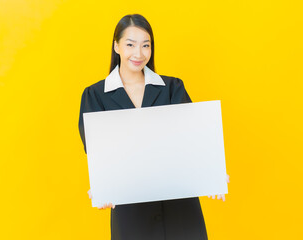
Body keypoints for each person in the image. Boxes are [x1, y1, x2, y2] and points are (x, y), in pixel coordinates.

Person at [78, 14, 229, 240]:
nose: (139, 54)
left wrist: (212, 173)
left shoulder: (171, 87)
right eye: (130, 45)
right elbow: (97, 152)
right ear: (116, 46)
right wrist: (104, 185)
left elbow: (193, 140)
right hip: (132, 214)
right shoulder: (95, 95)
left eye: (145, 45)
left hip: (180, 209)